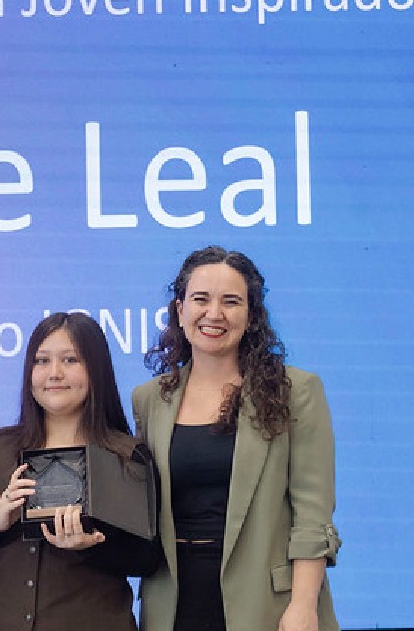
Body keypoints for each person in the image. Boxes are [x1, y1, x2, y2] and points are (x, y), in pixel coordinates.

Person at [132, 246, 340, 631]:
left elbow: (312, 513)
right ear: (180, 310)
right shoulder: (149, 399)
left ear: (251, 315)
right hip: (172, 603)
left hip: (267, 604)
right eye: (200, 299)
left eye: (231, 301)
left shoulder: (295, 391)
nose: (214, 314)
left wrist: (303, 606)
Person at [0, 312, 161, 631]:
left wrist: (90, 546)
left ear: (96, 369)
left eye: (71, 360)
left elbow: (147, 558)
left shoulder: (126, 455)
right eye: (42, 361)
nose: (54, 373)